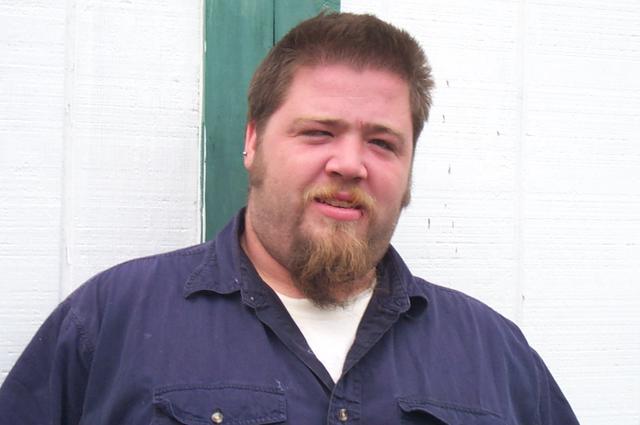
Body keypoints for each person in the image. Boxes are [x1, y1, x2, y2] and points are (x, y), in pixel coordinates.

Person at [0, 12, 579, 425]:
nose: (350, 163)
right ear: (253, 142)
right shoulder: (108, 325)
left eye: (382, 143)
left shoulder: (497, 356)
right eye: (319, 132)